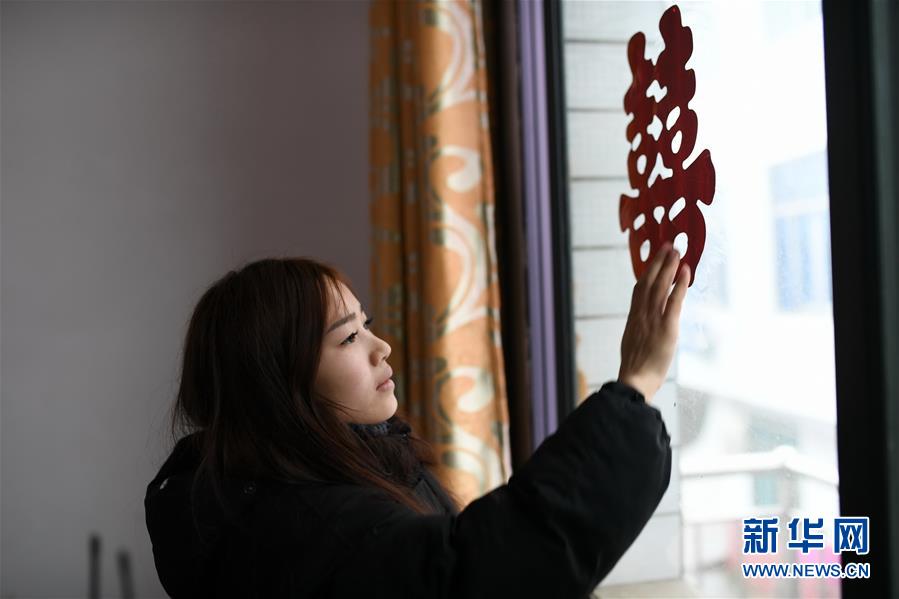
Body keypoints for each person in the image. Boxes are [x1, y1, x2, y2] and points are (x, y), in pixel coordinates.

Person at [145, 241, 690, 598]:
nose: (381, 346)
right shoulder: (305, 532)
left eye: (366, 324)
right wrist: (635, 385)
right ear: (279, 387)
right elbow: (487, 570)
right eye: (349, 337)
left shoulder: (284, 486)